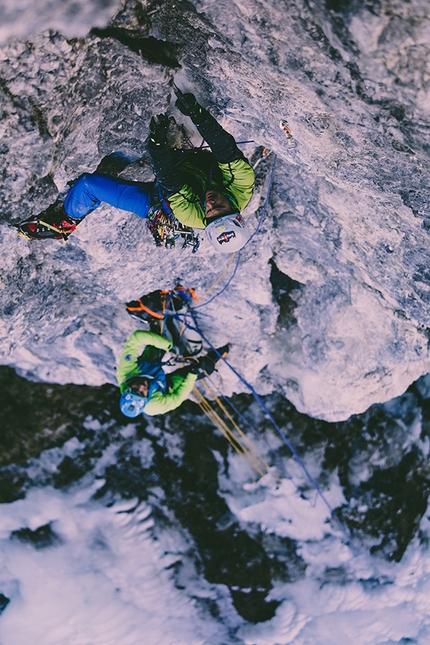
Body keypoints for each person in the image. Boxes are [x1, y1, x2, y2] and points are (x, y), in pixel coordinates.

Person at [21, 91, 255, 253]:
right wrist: (197, 113)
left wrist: (157, 144)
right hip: (195, 168)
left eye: (210, 214)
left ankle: (66, 222)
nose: (211, 204)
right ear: (235, 210)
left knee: (88, 185)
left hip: (157, 200)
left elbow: (168, 178)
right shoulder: (242, 184)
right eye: (220, 208)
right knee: (89, 185)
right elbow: (224, 147)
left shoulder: (189, 215)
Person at [117, 329, 230, 417]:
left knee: (158, 333)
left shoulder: (125, 372)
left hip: (148, 365)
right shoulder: (155, 406)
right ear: (146, 399)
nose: (141, 386)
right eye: (142, 393)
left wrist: (169, 346)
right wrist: (193, 374)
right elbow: (178, 397)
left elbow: (137, 337)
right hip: (166, 384)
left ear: (127, 388)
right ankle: (216, 355)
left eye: (135, 389)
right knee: (206, 368)